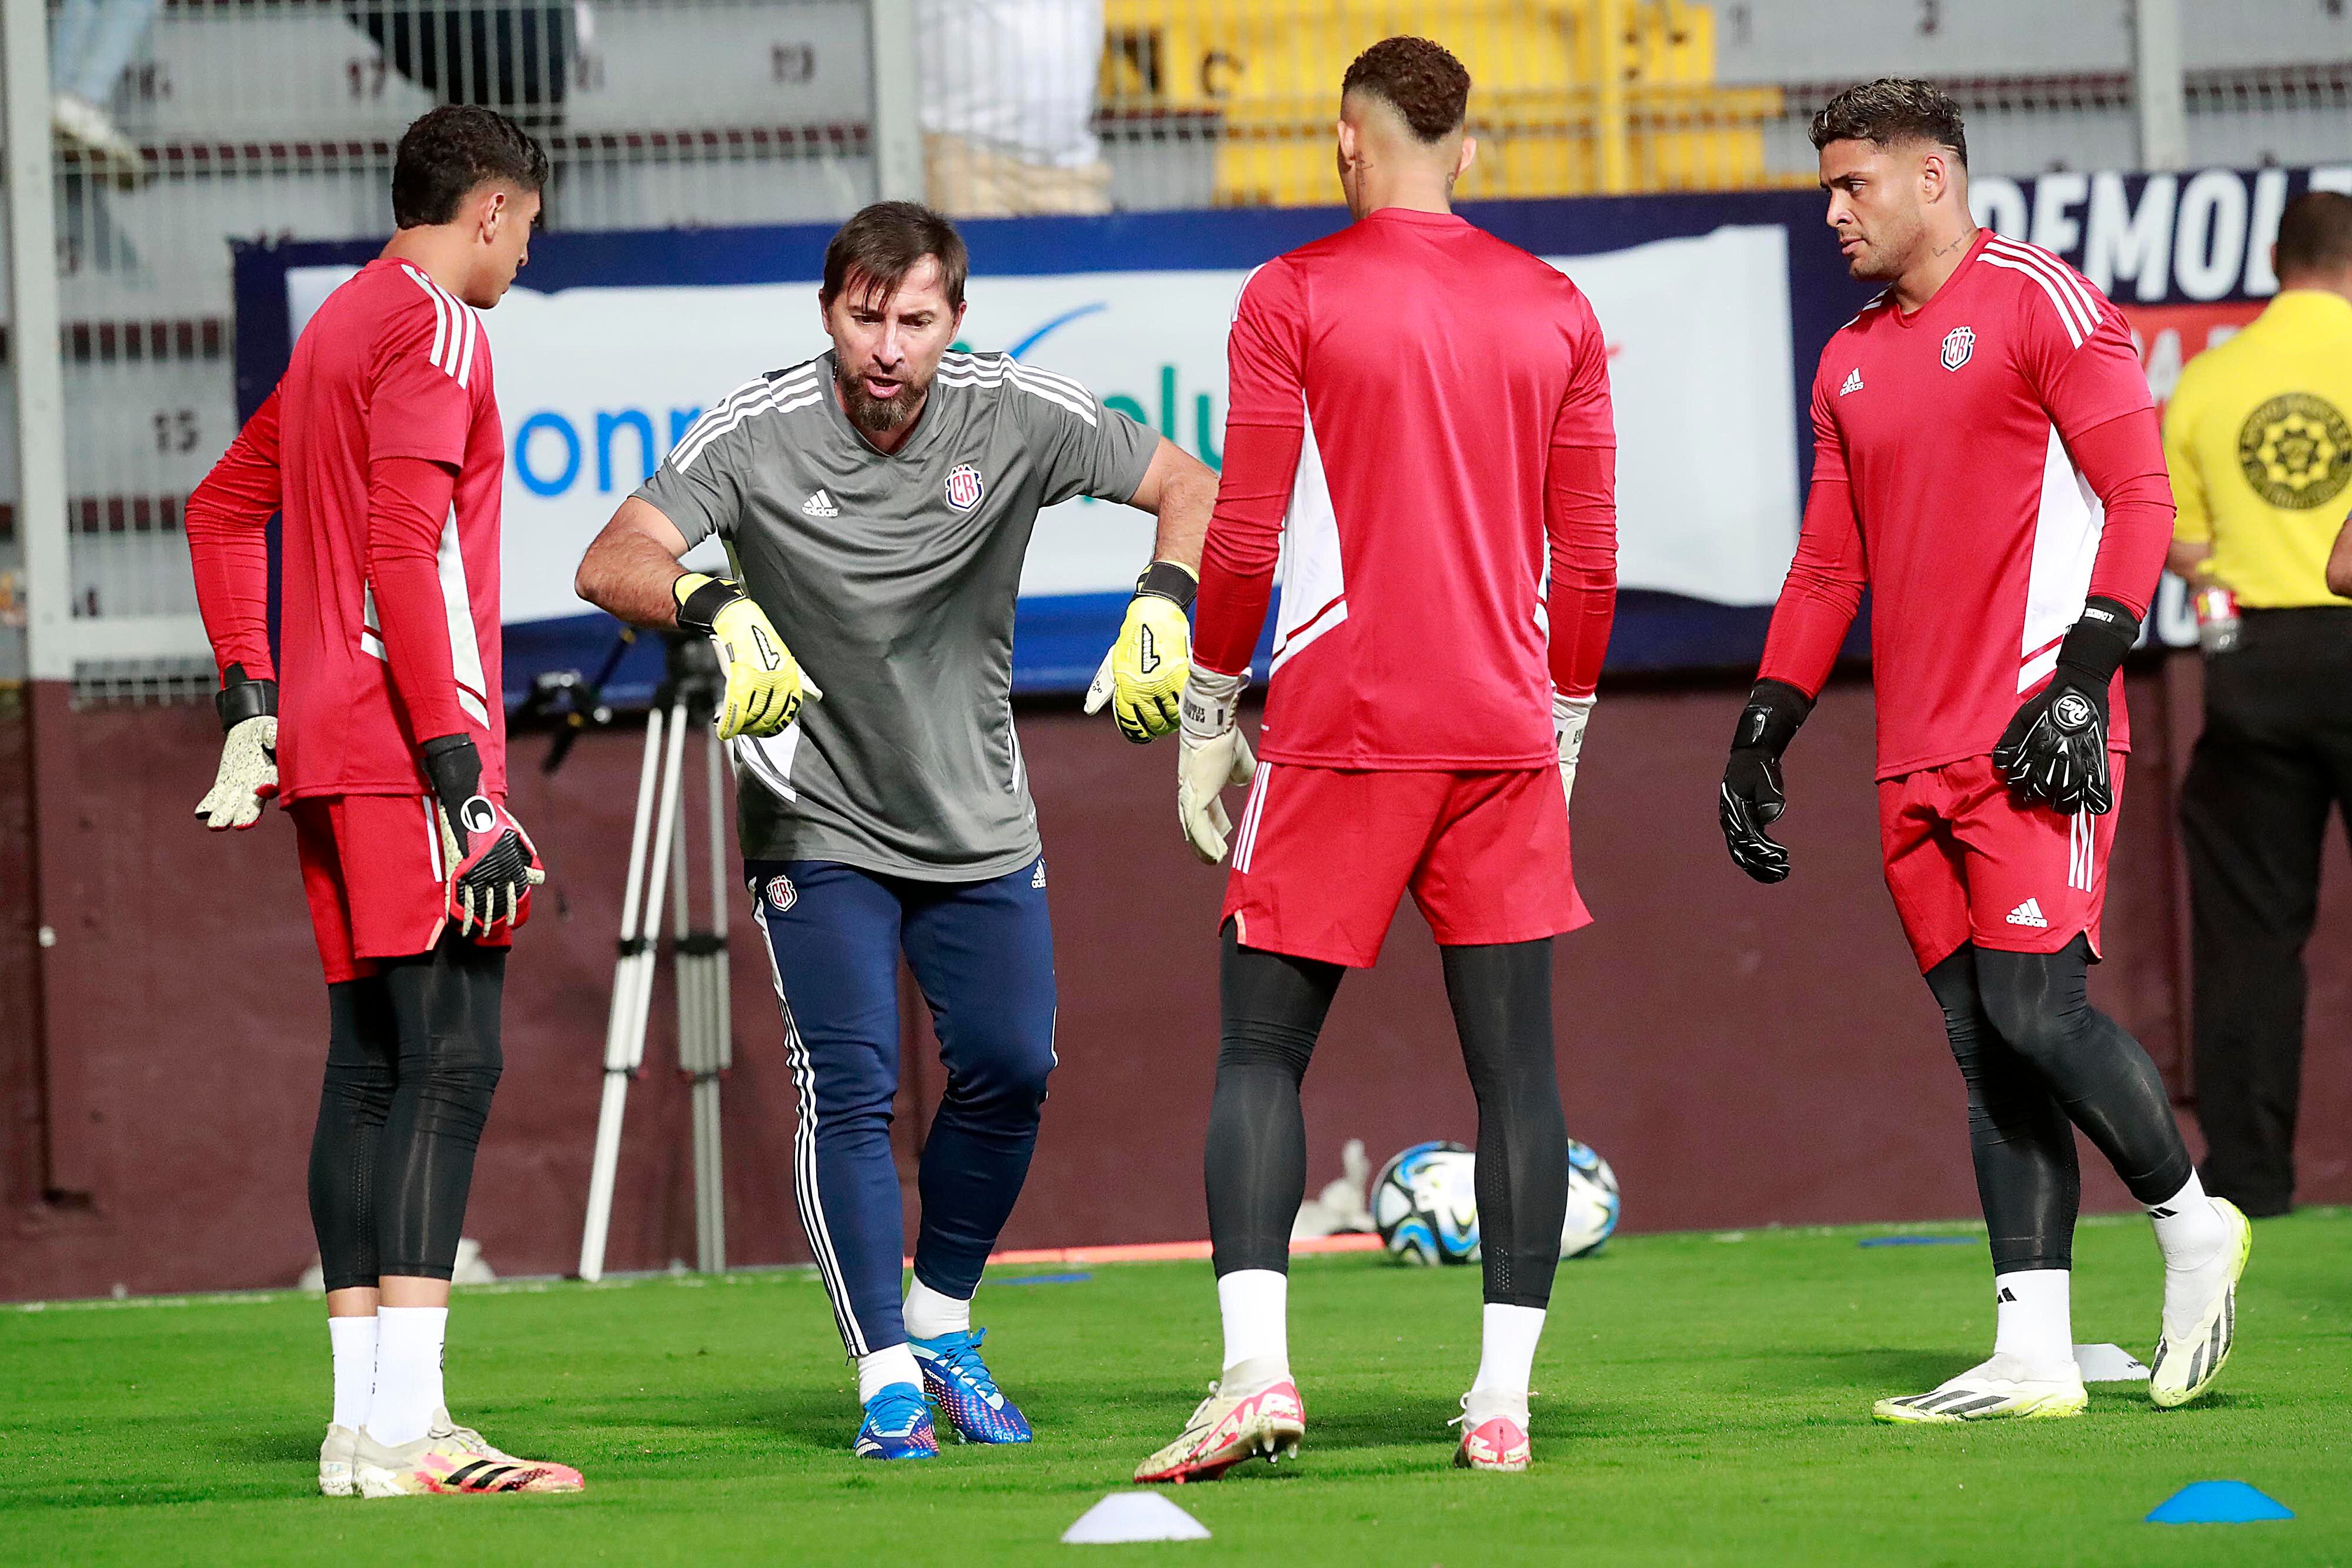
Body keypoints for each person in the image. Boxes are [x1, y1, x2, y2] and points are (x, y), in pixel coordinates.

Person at [572, 200, 1218, 1460]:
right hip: (815, 817)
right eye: (863, 317)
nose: (886, 346)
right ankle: (881, 1377)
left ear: (953, 321)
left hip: (975, 811)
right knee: (852, 1089)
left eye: (913, 320)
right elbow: (610, 557)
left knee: (1010, 1070)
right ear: (828, 315)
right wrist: (712, 602)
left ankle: (939, 1318)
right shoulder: (755, 429)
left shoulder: (1015, 409)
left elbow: (1191, 482)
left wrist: (1166, 600)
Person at [1716, 79, 2251, 1423]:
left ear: (1931, 180)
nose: (1831, 208)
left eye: (1854, 184)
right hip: (1913, 752)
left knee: (2034, 1012)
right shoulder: (1843, 358)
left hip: (2033, 731)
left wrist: (2082, 676)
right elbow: (1828, 561)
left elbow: (2141, 494)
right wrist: (1765, 720)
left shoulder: (2041, 302)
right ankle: (2031, 1351)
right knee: (1980, 1048)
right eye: (1826, 185)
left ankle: (2191, 1224)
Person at [1134, 36, 1618, 1481]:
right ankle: (1499, 1404)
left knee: (1261, 1051)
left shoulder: (1291, 293)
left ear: (1345, 142)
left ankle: (1255, 1379)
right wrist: (1569, 718)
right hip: (1503, 729)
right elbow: (1586, 552)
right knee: (1517, 1074)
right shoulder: (1555, 306)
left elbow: (1244, 525)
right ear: (1464, 148)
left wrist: (1213, 705)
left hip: (1345, 721)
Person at [183, 105, 582, 1496]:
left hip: (324, 749)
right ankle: (415, 1426)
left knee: (369, 1063)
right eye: (527, 225)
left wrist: (251, 698)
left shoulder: (338, 324)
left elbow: (219, 511)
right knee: (453, 1062)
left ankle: (362, 1428)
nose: (527, 251)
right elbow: (409, 551)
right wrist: (463, 776)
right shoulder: (436, 326)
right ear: (488, 209)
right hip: (412, 745)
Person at [2163, 190, 2352, 1219]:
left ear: (2277, 260)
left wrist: (2240, 554)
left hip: (2254, 660)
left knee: (2247, 939)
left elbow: (2175, 540)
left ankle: (2248, 1187)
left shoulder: (2208, 380)